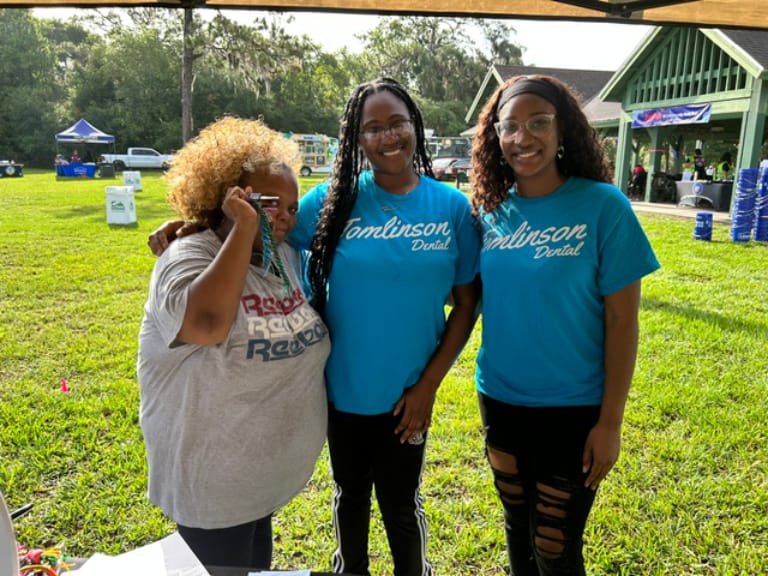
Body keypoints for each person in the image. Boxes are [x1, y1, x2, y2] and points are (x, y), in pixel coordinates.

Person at [149, 78, 481, 576]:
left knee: (401, 503)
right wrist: (192, 225)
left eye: (397, 123)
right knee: (349, 497)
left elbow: (467, 303)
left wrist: (429, 386)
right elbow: (264, 220)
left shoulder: (452, 208)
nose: (388, 136)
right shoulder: (332, 202)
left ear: (416, 126)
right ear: (356, 139)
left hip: (408, 395)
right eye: (373, 128)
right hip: (338, 393)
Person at [469, 74, 660, 576]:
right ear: (496, 137)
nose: (523, 137)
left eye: (538, 122)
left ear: (563, 131)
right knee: (516, 526)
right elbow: (460, 291)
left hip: (574, 409)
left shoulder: (603, 207)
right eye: (509, 126)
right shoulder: (489, 213)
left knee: (555, 544)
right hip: (501, 399)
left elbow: (622, 321)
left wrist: (611, 422)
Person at [137, 116, 330, 569]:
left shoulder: (284, 254)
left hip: (258, 480)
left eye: (289, 206)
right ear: (229, 198)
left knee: (255, 564)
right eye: (266, 202)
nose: (280, 216)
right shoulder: (185, 255)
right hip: (211, 484)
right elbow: (206, 323)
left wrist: (252, 225)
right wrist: (243, 224)